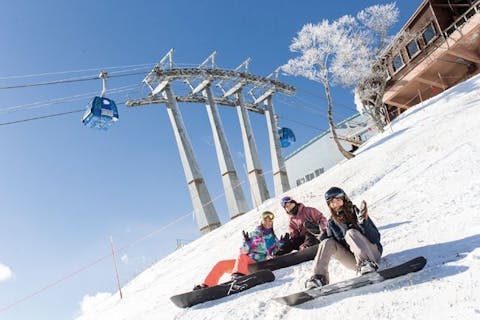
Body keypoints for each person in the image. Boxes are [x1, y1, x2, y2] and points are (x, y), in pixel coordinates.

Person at [305, 187, 383, 289]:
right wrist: (321, 236)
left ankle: (367, 263)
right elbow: (332, 246)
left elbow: (375, 238)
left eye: (338, 200)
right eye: (332, 202)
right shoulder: (331, 223)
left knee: (350, 233)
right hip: (355, 261)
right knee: (326, 242)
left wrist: (364, 223)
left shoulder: (356, 213)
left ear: (344, 199)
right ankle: (318, 278)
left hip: (372, 254)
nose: (335, 204)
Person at [193, 211, 281, 290]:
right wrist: (247, 243)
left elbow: (275, 252)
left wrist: (282, 245)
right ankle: (207, 285)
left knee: (242, 257)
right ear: (261, 221)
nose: (268, 223)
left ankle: (238, 277)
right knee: (221, 264)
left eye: (270, 221)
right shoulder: (253, 234)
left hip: (257, 263)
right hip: (245, 263)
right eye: (265, 221)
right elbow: (243, 251)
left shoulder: (273, 238)